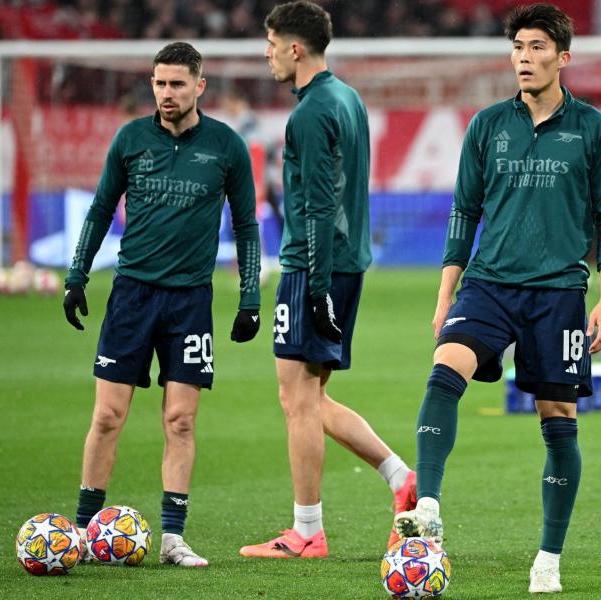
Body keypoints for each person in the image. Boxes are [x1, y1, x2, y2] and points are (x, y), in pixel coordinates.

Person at [391, 4, 601, 594]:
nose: (525, 56)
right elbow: (464, 212)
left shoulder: (594, 130)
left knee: (558, 423)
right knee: (446, 369)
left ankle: (549, 556)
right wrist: (446, 295)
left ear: (563, 57)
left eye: (538, 46)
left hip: (559, 293)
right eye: (518, 45)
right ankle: (431, 505)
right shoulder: (487, 125)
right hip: (489, 285)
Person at [62, 42, 262, 567]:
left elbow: (246, 226)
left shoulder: (226, 146)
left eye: (177, 83)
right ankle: (83, 532)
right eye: (159, 83)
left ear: (200, 86)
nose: (166, 93)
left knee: (180, 421)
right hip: (131, 295)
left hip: (191, 303)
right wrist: (76, 276)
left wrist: (250, 298)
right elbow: (101, 208)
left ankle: (172, 537)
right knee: (107, 416)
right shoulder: (130, 139)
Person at [238, 0, 416, 559]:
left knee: (296, 400)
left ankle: (308, 531)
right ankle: (400, 479)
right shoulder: (348, 98)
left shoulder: (311, 112)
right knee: (308, 397)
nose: (266, 54)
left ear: (295, 48)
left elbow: (315, 206)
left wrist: (313, 288)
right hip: (345, 262)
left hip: (315, 266)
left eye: (271, 43)